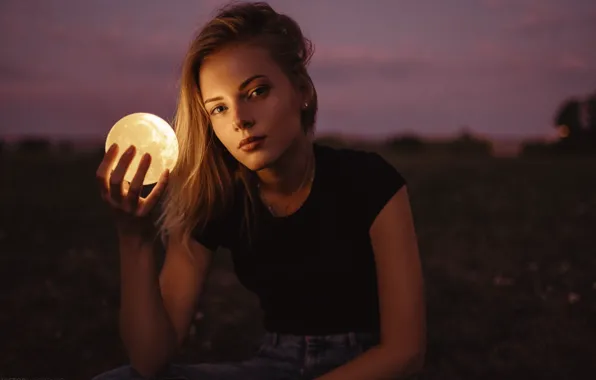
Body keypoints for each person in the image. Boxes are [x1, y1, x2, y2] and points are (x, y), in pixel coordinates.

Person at [92, 2, 425, 379]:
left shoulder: (369, 180)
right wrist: (132, 239)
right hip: (274, 366)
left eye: (256, 91)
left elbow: (405, 353)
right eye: (218, 109)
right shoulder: (218, 198)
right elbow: (150, 361)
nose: (240, 119)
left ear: (301, 90)